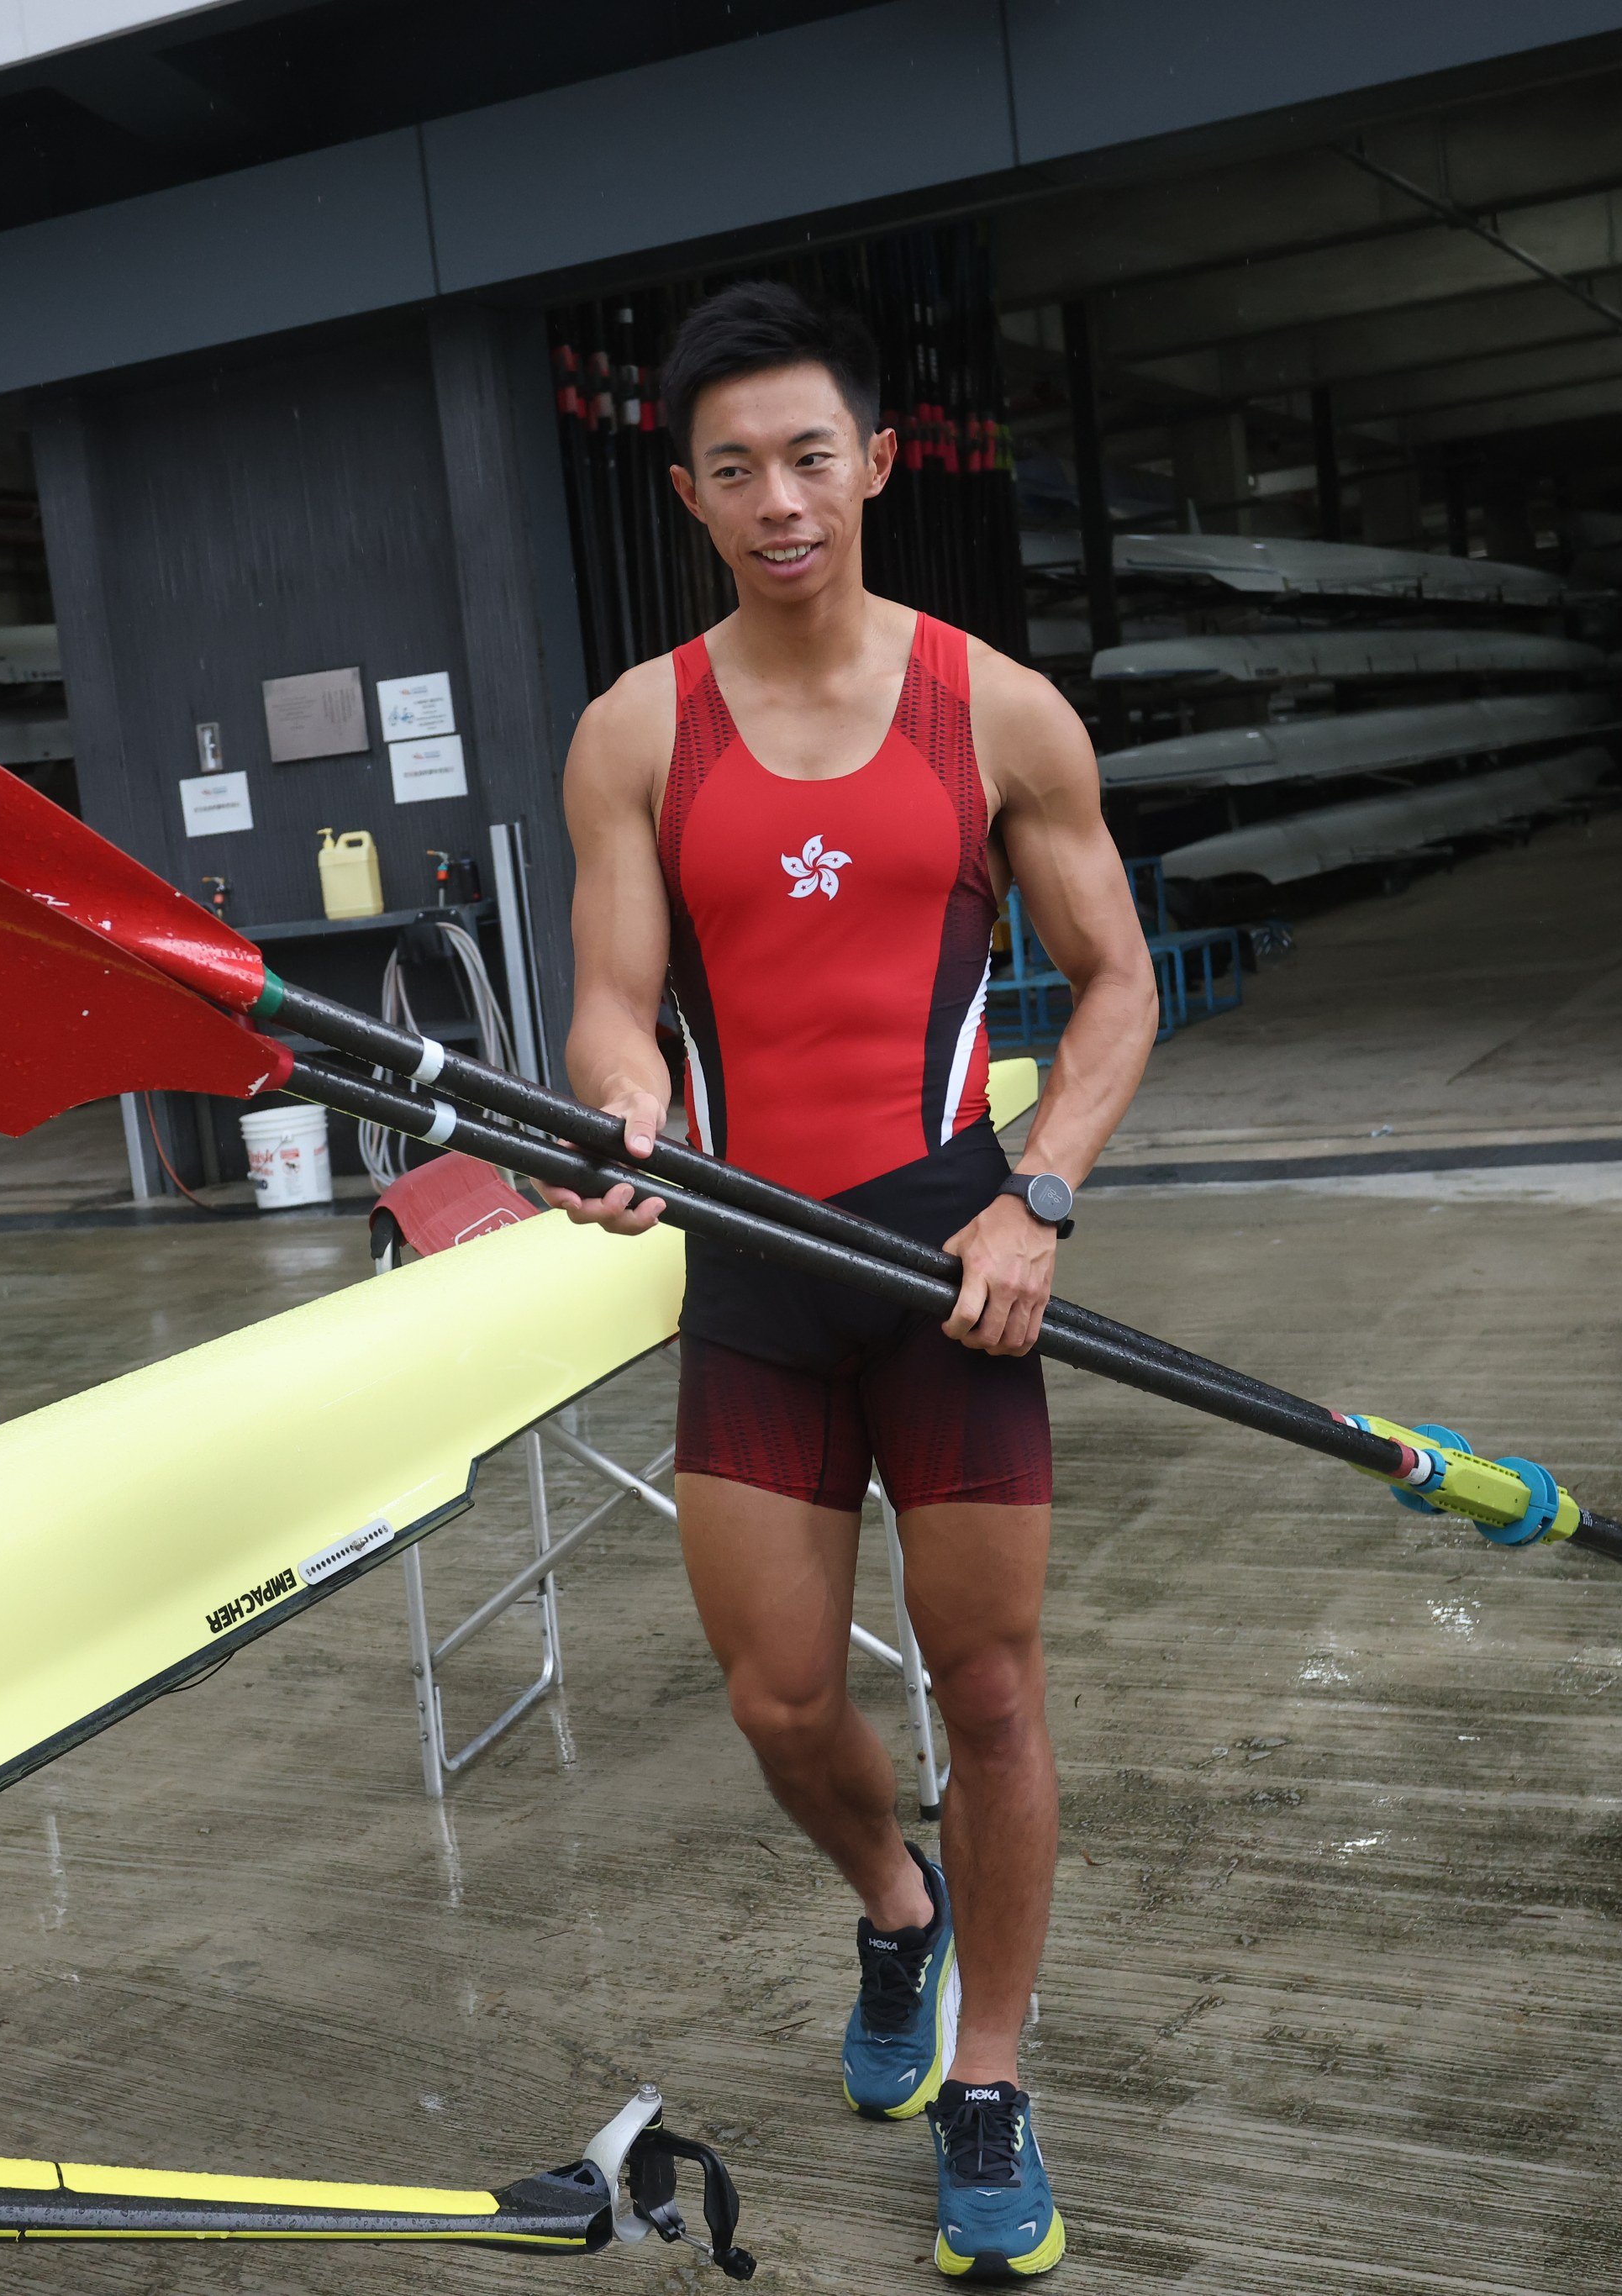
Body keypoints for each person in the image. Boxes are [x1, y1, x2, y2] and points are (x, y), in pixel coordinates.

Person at [545, 279, 1156, 2282]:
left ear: (877, 462)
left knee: (984, 1680)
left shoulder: (995, 708)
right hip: (755, 1266)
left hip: (950, 1262)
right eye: (735, 468)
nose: (780, 498)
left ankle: (984, 2077)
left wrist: (1034, 1198)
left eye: (812, 455)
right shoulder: (636, 729)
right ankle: (896, 1908)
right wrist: (626, 1115)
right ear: (689, 494)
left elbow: (1117, 986)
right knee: (779, 1695)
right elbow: (613, 1018)